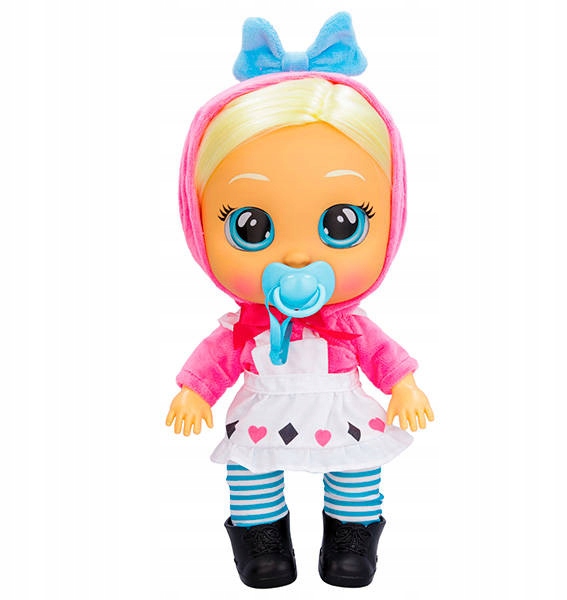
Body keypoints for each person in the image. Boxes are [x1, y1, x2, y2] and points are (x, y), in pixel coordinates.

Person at [166, 13, 434, 589]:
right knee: (249, 470)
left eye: (342, 224)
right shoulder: (246, 327)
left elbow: (384, 356)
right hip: (266, 411)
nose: (295, 256)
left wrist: (405, 386)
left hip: (339, 411)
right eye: (250, 225)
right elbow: (216, 359)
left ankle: (352, 538)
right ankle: (261, 541)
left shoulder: (348, 326)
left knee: (357, 466)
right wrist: (194, 391)